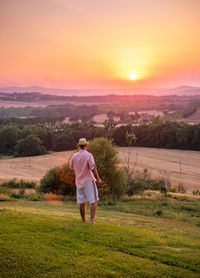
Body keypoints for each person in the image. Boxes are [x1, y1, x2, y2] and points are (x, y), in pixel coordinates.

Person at [69, 138, 102, 224]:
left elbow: (71, 167)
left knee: (81, 202)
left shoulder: (74, 156)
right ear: (86, 145)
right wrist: (98, 179)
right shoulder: (89, 155)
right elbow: (93, 168)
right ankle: (91, 220)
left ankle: (83, 220)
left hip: (78, 182)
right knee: (93, 201)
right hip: (88, 181)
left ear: (79, 146)